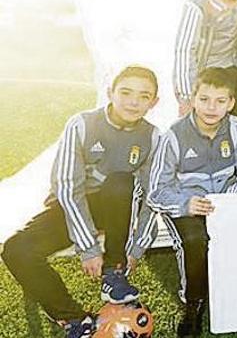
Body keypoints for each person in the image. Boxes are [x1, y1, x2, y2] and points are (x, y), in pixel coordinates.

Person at [2, 66, 160, 338]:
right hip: (69, 208)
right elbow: (66, 187)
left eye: (144, 96)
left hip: (113, 208)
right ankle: (75, 319)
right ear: (110, 92)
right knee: (16, 249)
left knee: (121, 182)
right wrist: (87, 246)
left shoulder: (154, 137)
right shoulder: (82, 124)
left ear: (154, 102)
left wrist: (136, 247)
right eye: (126, 92)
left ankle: (114, 272)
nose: (134, 101)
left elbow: (153, 196)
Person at [147, 67, 237, 337]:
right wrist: (187, 203)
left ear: (231, 103)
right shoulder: (173, 135)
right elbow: (156, 191)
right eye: (205, 99)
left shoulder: (235, 127)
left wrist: (226, 202)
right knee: (196, 241)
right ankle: (193, 305)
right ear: (193, 99)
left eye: (221, 101)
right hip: (187, 206)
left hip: (224, 202)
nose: (212, 107)